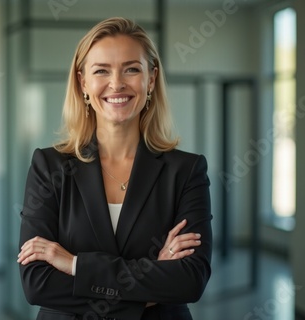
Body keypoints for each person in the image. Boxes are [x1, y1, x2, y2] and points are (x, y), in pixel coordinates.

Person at [17, 17, 212, 320]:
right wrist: (147, 293)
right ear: (83, 82)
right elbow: (37, 284)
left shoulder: (186, 171)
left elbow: (190, 280)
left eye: (132, 69)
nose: (117, 83)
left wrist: (74, 265)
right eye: (101, 71)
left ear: (151, 79)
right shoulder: (49, 166)